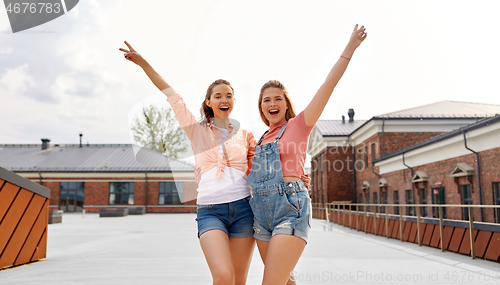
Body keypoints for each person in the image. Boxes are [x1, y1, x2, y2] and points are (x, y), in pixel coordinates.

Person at [119, 42, 310, 285]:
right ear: (209, 102)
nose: (224, 99)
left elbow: (262, 169)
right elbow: (171, 94)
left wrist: (296, 178)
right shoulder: (196, 130)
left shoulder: (247, 136)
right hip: (210, 211)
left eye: (229, 95)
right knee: (223, 275)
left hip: (244, 210)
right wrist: (143, 63)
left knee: (238, 280)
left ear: (233, 101)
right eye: (218, 96)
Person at [248, 24, 367, 285]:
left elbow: (329, 85)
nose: (272, 104)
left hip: (290, 207)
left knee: (271, 282)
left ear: (286, 103)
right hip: (260, 213)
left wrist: (349, 48)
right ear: (261, 107)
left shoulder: (300, 124)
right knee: (284, 281)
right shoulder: (257, 141)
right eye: (266, 100)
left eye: (277, 98)